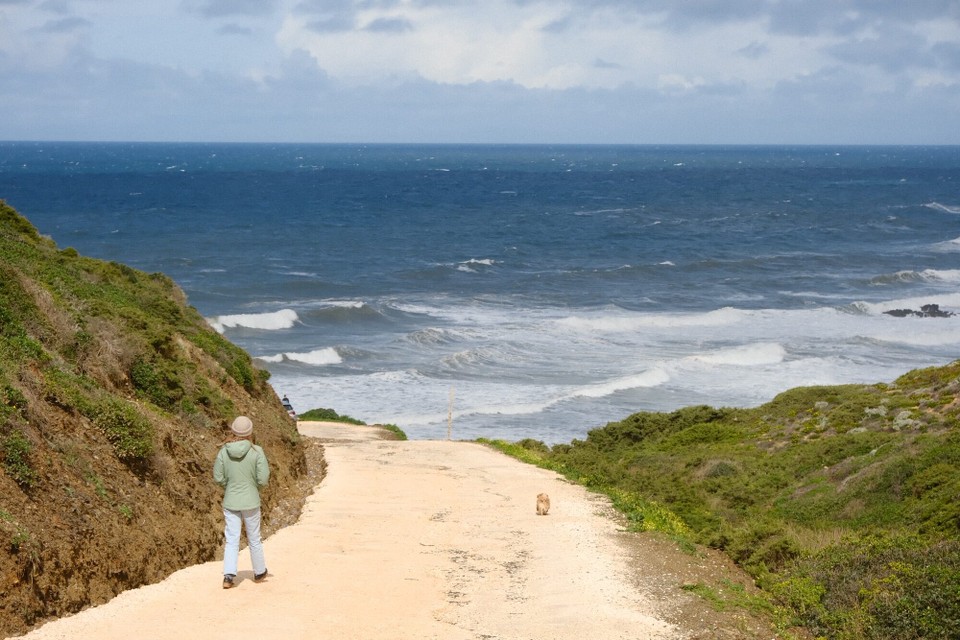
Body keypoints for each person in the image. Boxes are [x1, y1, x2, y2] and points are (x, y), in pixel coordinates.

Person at [213, 415, 270, 589]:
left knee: (232, 539)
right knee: (254, 538)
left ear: (233, 431)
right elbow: (263, 479)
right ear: (250, 432)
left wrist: (229, 486)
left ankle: (228, 576)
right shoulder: (256, 451)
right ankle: (259, 572)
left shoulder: (223, 451)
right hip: (251, 500)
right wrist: (254, 488)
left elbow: (218, 477)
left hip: (231, 500)